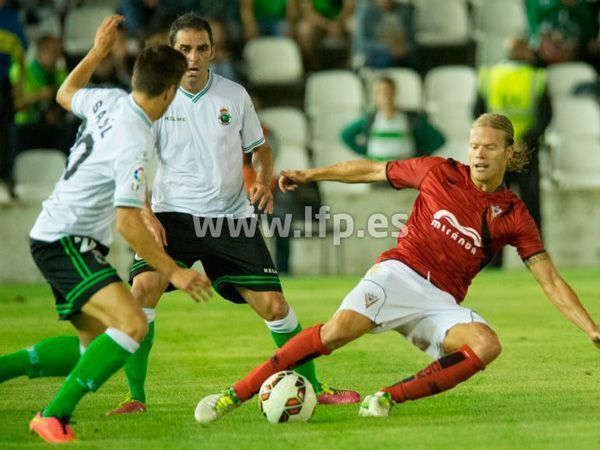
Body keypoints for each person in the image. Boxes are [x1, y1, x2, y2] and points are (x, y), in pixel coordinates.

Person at [194, 113, 600, 423]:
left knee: (486, 344)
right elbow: (372, 168)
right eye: (475, 145)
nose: (478, 153)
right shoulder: (440, 171)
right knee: (336, 333)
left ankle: (387, 397)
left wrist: (591, 328)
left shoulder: (513, 213)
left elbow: (549, 279)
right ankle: (235, 393)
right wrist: (311, 174)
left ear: (508, 154)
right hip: (397, 274)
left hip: (440, 301)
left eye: (490, 147)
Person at [108, 12, 359, 416]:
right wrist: (147, 212)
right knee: (141, 293)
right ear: (172, 53)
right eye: (184, 49)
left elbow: (260, 149)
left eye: (201, 48)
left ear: (213, 51)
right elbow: (131, 162)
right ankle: (135, 396)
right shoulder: (155, 99)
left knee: (276, 309)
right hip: (172, 216)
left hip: (231, 218)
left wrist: (262, 179)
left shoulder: (234, 95)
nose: (193, 57)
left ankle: (312, 385)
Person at [0, 16, 211, 443]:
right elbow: (128, 223)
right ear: (170, 92)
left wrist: (96, 53)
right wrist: (175, 271)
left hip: (56, 233)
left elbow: (64, 93)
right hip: (67, 239)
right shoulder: (135, 138)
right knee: (133, 326)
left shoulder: (109, 100)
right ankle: (53, 415)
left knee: (90, 346)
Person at [476, 36, 551, 230]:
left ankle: (494, 258)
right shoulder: (536, 77)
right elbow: (546, 115)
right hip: (526, 151)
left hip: (496, 151)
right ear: (522, 51)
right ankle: (535, 256)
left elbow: (477, 114)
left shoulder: (488, 76)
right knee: (531, 207)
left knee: (494, 207)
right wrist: (526, 139)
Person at [7, 35, 76, 190]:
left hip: (50, 126)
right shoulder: (22, 71)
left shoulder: (59, 73)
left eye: (59, 52)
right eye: (53, 52)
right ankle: (11, 182)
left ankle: (72, 182)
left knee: (70, 134)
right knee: (14, 134)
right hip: (26, 125)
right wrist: (39, 96)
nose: (57, 56)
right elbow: (13, 106)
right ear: (41, 52)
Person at [341, 76, 445, 161]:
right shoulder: (369, 120)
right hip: (377, 172)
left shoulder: (410, 119)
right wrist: (365, 152)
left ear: (394, 92)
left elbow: (438, 139)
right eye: (378, 92)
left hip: (403, 173)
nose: (384, 95)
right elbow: (346, 135)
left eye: (387, 91)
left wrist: (417, 154)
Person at [0, 0, 27, 193]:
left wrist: (19, 84)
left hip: (3, 84)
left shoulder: (11, 17)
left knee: (5, 131)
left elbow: (20, 54)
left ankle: (5, 177)